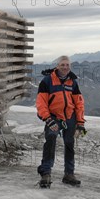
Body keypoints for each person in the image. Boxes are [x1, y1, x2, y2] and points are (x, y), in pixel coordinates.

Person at [36, 55, 86, 187]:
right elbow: (41, 103)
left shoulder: (72, 82)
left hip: (70, 117)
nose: (65, 67)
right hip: (53, 117)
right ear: (57, 66)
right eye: (62, 65)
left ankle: (69, 174)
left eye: (67, 65)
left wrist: (80, 123)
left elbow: (79, 103)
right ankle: (46, 173)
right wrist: (48, 119)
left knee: (69, 144)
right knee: (51, 139)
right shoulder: (47, 81)